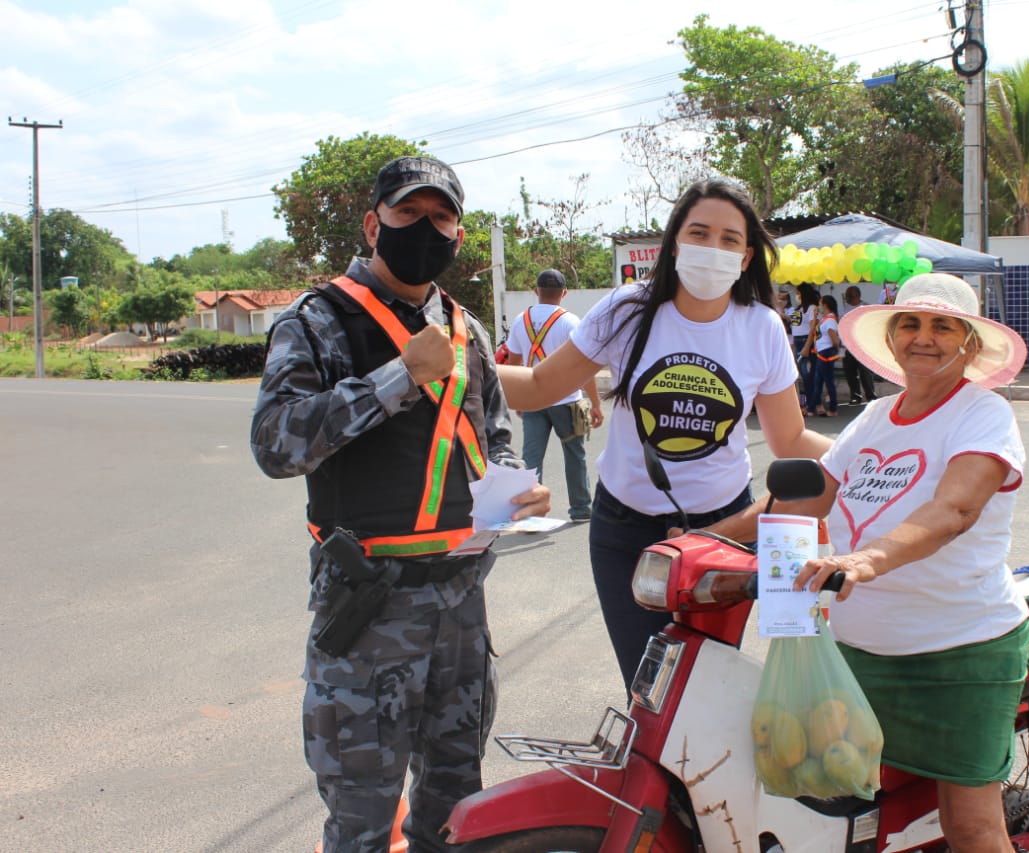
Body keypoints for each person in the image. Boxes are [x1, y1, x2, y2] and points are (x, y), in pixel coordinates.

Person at [250, 155, 551, 853]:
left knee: (457, 812)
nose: (425, 228)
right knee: (360, 820)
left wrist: (512, 484)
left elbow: (493, 434)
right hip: (369, 611)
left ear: (459, 232)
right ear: (372, 223)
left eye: (440, 216)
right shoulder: (320, 322)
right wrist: (399, 376)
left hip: (460, 605)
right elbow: (275, 443)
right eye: (408, 214)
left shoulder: (466, 328)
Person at [708, 273, 1029, 852]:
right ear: (893, 335)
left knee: (973, 828)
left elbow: (955, 508)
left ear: (969, 343)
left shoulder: (984, 414)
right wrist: (704, 540)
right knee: (828, 803)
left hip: (959, 653)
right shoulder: (877, 416)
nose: (923, 337)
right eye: (910, 323)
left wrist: (867, 558)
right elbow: (806, 495)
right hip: (856, 652)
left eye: (942, 326)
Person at [495, 177, 830, 687]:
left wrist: (875, 452)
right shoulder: (627, 310)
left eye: (729, 239)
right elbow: (540, 385)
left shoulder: (761, 326)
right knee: (649, 688)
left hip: (726, 532)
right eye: (699, 233)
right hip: (625, 532)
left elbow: (791, 441)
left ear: (745, 258)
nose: (712, 249)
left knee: (706, 685)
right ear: (675, 243)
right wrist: (456, 368)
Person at [504, 268, 604, 522]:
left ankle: (526, 511)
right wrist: (595, 402)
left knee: (531, 457)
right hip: (566, 400)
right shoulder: (571, 322)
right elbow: (585, 368)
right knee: (574, 454)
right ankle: (580, 509)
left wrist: (518, 396)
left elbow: (513, 362)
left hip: (532, 400)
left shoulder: (520, 320)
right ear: (564, 293)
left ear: (536, 292)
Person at [840, 285, 878, 405]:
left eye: (850, 296)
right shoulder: (844, 309)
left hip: (862, 346)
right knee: (850, 373)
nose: (848, 298)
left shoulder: (865, 307)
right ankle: (855, 396)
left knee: (865, 373)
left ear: (858, 296)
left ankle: (871, 396)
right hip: (848, 346)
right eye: (847, 296)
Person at [804, 294, 841, 417]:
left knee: (827, 381)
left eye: (820, 304)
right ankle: (810, 408)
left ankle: (833, 408)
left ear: (824, 305)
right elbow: (813, 329)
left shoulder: (830, 320)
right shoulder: (824, 319)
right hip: (821, 351)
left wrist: (836, 349)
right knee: (818, 381)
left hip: (826, 352)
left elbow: (834, 338)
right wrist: (815, 317)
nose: (818, 306)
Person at [789, 283, 821, 412]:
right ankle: (810, 403)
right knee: (803, 374)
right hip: (797, 341)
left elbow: (813, 328)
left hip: (805, 341)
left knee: (808, 375)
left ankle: (813, 403)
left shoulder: (812, 308)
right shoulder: (799, 308)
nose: (796, 295)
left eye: (798, 293)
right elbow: (794, 323)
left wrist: (807, 346)